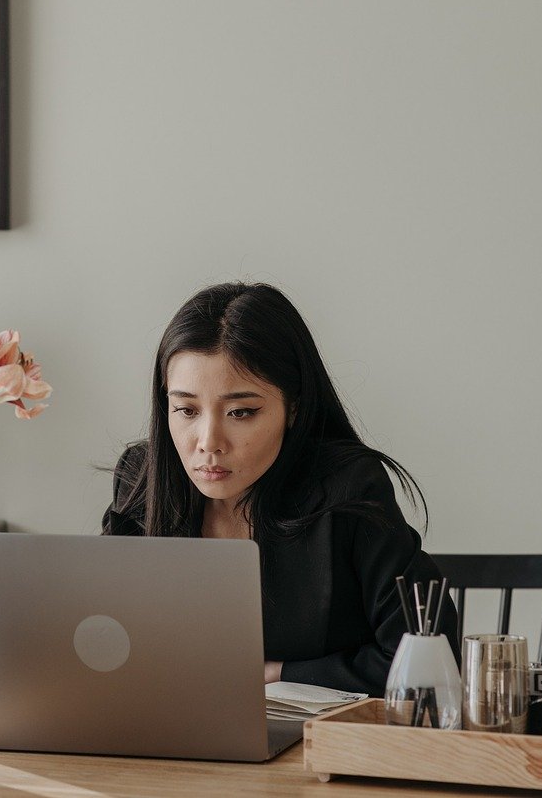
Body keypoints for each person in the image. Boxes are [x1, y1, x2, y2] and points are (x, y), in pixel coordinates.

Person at [102, 282, 458, 696]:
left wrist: (280, 672)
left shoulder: (347, 486)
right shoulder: (142, 476)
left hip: (316, 747)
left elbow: (432, 652)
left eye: (241, 412)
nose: (208, 441)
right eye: (186, 410)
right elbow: (101, 641)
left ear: (294, 408)